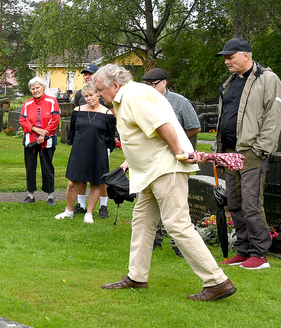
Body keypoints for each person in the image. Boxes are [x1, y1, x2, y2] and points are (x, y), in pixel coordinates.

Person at [94, 64, 235, 301]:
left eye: (99, 89)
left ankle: (217, 281)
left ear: (114, 85)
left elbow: (163, 125)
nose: (98, 94)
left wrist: (179, 152)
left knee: (177, 224)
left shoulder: (133, 96)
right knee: (141, 222)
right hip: (151, 172)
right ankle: (137, 276)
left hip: (165, 168)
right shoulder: (127, 96)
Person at [215, 38, 281, 270]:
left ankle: (260, 253)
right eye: (225, 57)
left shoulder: (268, 79)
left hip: (252, 152)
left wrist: (260, 148)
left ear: (246, 55)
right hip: (229, 152)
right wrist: (219, 150)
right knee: (234, 202)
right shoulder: (231, 82)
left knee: (251, 203)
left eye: (230, 56)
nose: (226, 61)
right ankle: (243, 251)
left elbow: (274, 117)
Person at [141, 68, 202, 255]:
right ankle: (154, 240)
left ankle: (179, 245)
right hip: (153, 158)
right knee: (153, 199)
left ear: (164, 83)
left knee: (176, 204)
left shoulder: (180, 102)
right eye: (146, 85)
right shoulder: (143, 101)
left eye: (153, 85)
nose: (150, 88)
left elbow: (195, 127)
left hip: (177, 159)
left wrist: (174, 140)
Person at [55, 83, 116, 223]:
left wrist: (106, 151)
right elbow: (72, 131)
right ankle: (69, 211)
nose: (89, 98)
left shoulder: (107, 114)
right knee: (72, 183)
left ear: (98, 95)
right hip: (79, 151)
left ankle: (89, 213)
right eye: (86, 96)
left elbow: (110, 136)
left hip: (98, 152)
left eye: (92, 95)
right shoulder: (77, 110)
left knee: (95, 183)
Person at [69, 64, 111, 218]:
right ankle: (81, 204)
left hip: (100, 140)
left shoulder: (106, 92)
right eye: (85, 74)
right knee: (81, 176)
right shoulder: (80, 94)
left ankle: (103, 206)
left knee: (100, 177)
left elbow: (111, 116)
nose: (87, 76)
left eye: (90, 74)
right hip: (83, 141)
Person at [18, 77, 59, 205]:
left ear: (43, 87)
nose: (35, 90)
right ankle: (30, 195)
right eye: (33, 88)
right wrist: (36, 130)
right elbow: (22, 121)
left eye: (37, 87)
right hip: (31, 141)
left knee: (47, 167)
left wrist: (44, 133)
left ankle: (50, 195)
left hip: (47, 141)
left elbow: (55, 119)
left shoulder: (52, 101)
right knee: (30, 167)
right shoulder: (27, 104)